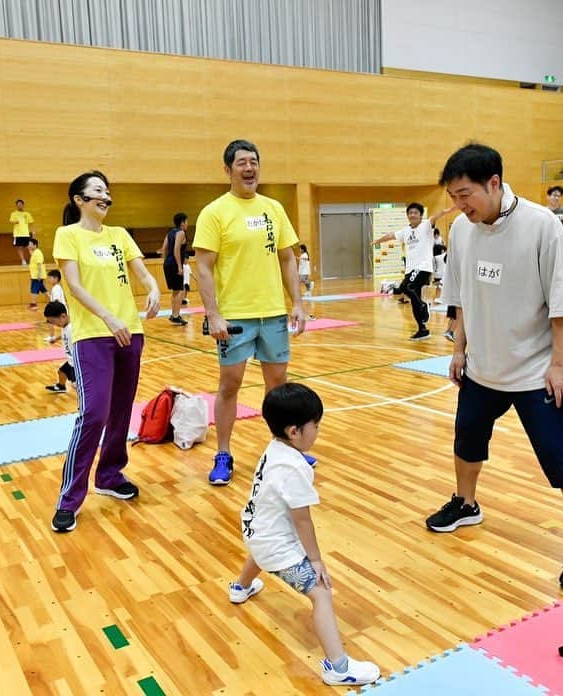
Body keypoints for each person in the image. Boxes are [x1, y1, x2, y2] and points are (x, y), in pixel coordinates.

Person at [426, 143, 563, 592]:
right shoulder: (463, 231)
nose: (459, 206)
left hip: (535, 371)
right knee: (467, 438)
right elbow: (464, 295)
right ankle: (466, 504)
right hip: (482, 368)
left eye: (465, 194)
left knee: (562, 455)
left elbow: (562, 306)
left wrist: (560, 366)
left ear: (494, 183)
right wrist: (458, 349)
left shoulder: (542, 226)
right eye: (453, 196)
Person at [229, 383, 381, 686]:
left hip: (252, 527)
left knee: (261, 551)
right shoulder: (294, 469)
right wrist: (316, 561)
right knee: (321, 592)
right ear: (295, 431)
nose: (318, 431)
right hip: (273, 543)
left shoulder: (275, 447)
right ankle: (338, 667)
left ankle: (240, 587)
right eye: (316, 425)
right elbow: (303, 521)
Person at [50, 170, 160, 533]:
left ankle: (110, 475)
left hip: (131, 331)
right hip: (93, 334)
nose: (105, 195)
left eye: (107, 190)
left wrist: (153, 287)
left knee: (121, 410)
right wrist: (108, 317)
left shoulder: (120, 235)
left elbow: (141, 272)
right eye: (97, 190)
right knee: (93, 413)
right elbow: (74, 286)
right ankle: (70, 498)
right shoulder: (68, 235)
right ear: (79, 199)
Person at [194, 139, 306, 487]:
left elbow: (288, 257)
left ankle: (285, 451)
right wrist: (213, 314)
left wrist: (297, 303)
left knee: (278, 387)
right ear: (227, 170)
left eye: (254, 161)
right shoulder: (214, 212)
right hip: (235, 318)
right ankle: (223, 453)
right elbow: (203, 267)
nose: (249, 168)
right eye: (241, 162)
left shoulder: (273, 208)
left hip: (272, 313)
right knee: (230, 385)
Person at [372, 204, 452, 340]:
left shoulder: (426, 225)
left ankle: (423, 305)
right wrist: (377, 241)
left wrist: (453, 208)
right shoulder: (405, 231)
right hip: (411, 269)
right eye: (410, 212)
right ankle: (422, 329)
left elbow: (439, 214)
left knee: (405, 287)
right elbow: (391, 235)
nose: (412, 215)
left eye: (415, 212)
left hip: (423, 267)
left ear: (420, 215)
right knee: (411, 297)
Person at [159, 212, 189, 326]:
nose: (187, 224)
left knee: (175, 291)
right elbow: (176, 249)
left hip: (168, 263)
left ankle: (174, 314)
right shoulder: (181, 233)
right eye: (186, 221)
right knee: (180, 290)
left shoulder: (170, 233)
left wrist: (167, 261)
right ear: (182, 223)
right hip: (175, 264)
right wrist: (179, 267)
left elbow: (164, 249)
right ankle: (175, 316)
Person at [43, 301, 74, 394]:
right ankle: (61, 386)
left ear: (63, 316)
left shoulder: (72, 328)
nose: (54, 325)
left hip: (76, 362)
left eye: (54, 322)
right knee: (61, 372)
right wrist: (56, 338)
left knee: (76, 385)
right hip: (70, 360)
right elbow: (64, 335)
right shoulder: (64, 326)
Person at [10, 199, 35, 265]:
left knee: (29, 247)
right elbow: (11, 220)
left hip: (26, 233)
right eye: (18, 204)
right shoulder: (14, 214)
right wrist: (15, 221)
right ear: (16, 205)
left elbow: (31, 223)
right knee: (19, 247)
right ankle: (23, 260)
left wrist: (33, 231)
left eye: (20, 204)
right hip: (17, 234)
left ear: (23, 205)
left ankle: (33, 260)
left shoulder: (27, 214)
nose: (19, 205)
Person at [45, 269, 66, 342]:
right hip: (58, 309)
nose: (49, 280)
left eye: (50, 278)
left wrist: (52, 310)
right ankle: (52, 336)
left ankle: (52, 336)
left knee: (50, 321)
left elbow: (56, 300)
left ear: (56, 278)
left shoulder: (57, 288)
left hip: (59, 309)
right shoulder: (55, 287)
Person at [27, 238, 47, 310]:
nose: (28, 245)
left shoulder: (38, 253)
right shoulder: (35, 252)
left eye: (30, 244)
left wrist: (38, 274)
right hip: (35, 275)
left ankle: (34, 304)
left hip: (37, 276)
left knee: (34, 289)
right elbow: (30, 252)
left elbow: (39, 264)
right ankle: (52, 299)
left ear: (35, 245)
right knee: (42, 289)